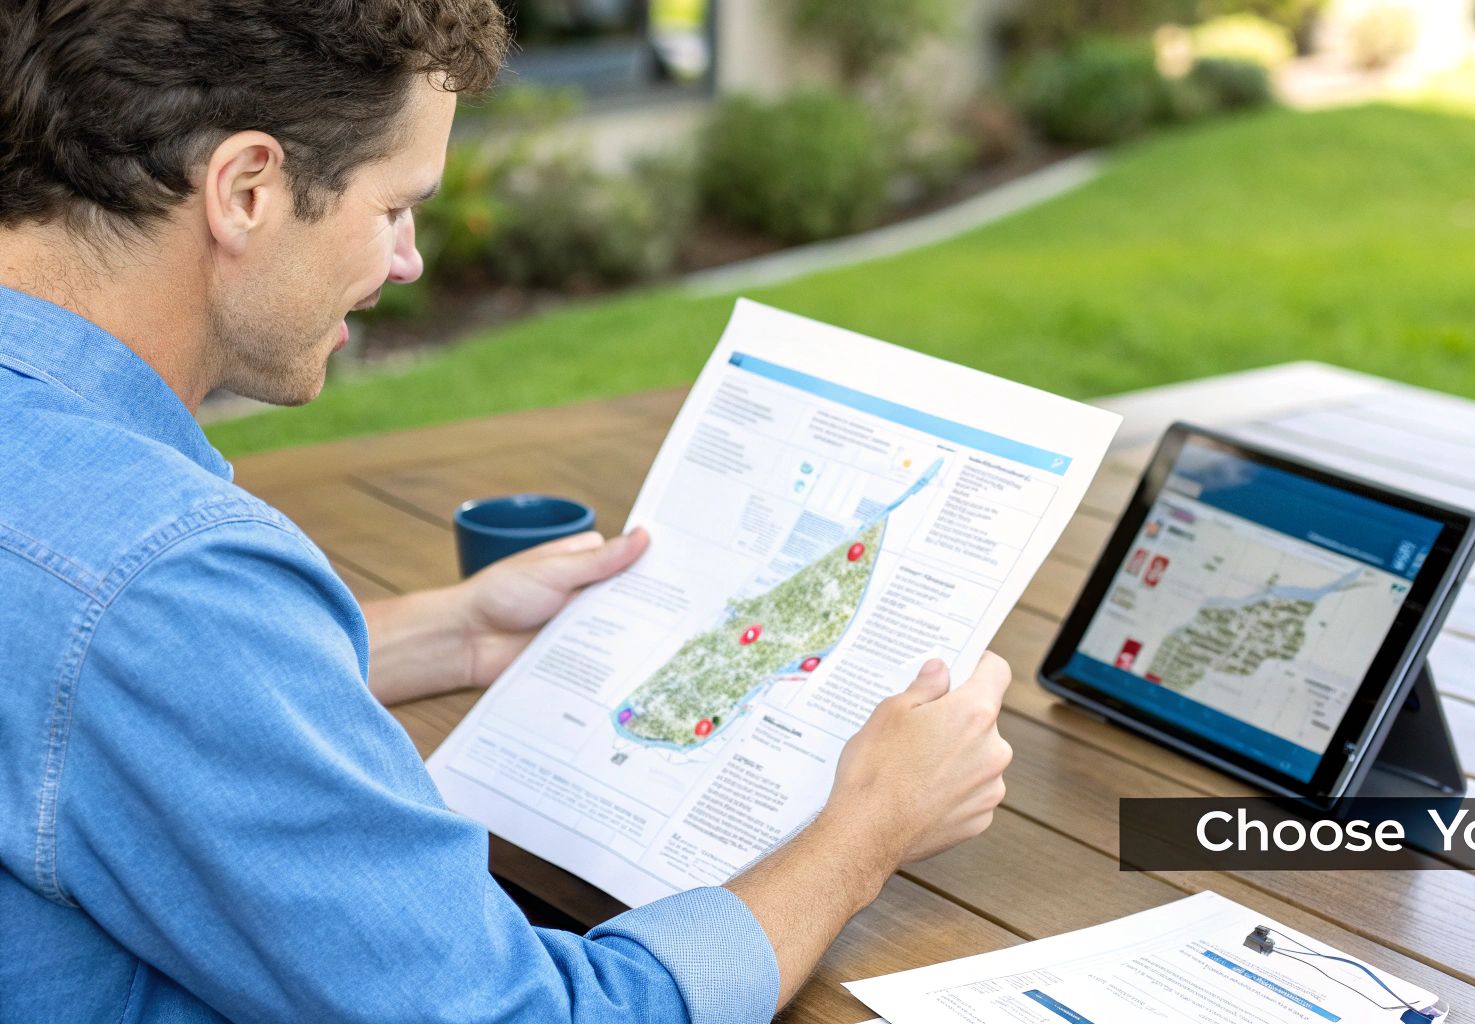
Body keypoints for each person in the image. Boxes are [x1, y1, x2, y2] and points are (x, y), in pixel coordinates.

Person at [0, 2, 1015, 1021]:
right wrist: (867, 831)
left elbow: (76, 684)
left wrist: (448, 631)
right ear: (248, 189)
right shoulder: (165, 582)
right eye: (395, 207)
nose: (409, 262)